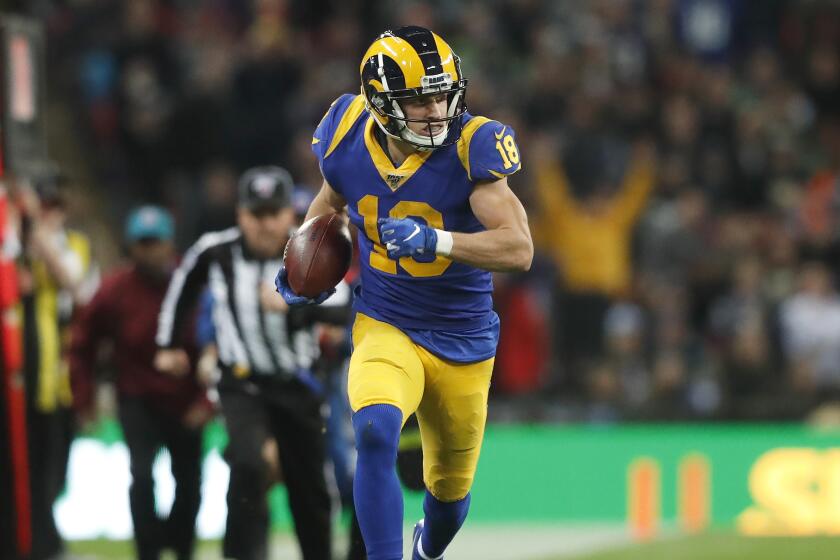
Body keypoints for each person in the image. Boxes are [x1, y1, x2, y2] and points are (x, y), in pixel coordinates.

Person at [275, 26, 533, 560]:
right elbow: (330, 203)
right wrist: (304, 263)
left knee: (447, 499)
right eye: (420, 100)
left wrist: (438, 240)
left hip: (463, 340)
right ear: (381, 102)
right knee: (374, 430)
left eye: (442, 95)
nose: (437, 110)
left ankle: (426, 548)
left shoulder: (471, 146)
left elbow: (518, 248)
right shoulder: (346, 131)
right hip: (386, 321)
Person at [155, 166, 350, 560]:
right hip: (241, 382)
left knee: (308, 485)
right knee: (247, 465)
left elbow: (343, 304)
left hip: (298, 384)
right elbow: (183, 288)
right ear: (240, 215)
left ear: (289, 214)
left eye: (273, 213)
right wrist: (169, 344)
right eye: (255, 214)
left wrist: (294, 304)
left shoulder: (310, 250)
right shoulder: (216, 250)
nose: (264, 224)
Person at [69, 205, 210, 560]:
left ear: (170, 243)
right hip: (137, 399)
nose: (150, 251)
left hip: (186, 400)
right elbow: (82, 343)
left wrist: (207, 402)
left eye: (156, 242)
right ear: (131, 247)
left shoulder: (194, 283)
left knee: (190, 482)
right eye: (143, 243)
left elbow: (221, 344)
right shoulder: (114, 290)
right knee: (141, 475)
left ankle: (181, 548)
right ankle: (147, 551)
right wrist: (84, 399)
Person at [19, 167, 95, 560]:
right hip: (29, 374)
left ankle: (43, 538)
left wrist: (37, 234)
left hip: (63, 374)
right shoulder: (15, 249)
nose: (51, 213)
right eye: (44, 206)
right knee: (32, 463)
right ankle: (40, 543)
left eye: (55, 206)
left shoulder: (73, 245)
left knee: (57, 464)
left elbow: (73, 282)